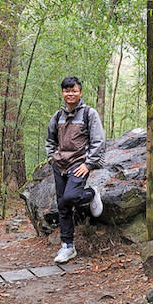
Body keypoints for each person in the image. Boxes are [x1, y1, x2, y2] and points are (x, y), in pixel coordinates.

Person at [45, 76, 106, 263]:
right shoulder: (57, 116)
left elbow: (99, 141)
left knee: (70, 198)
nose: (70, 94)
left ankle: (90, 193)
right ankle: (68, 247)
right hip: (60, 165)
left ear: (80, 92)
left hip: (78, 164)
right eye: (66, 91)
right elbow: (50, 140)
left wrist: (88, 164)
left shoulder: (89, 113)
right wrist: (52, 158)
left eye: (73, 91)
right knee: (62, 205)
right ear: (62, 93)